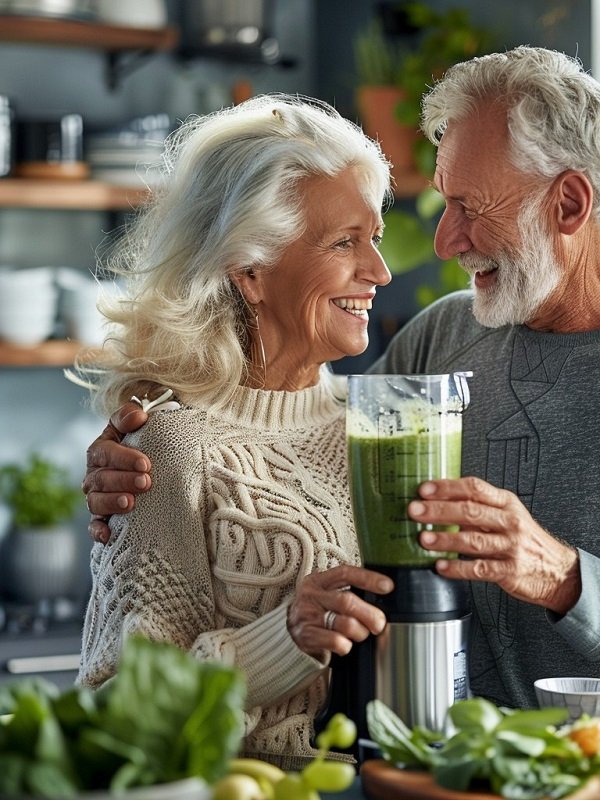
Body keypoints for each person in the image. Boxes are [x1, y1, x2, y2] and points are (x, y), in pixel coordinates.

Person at [83, 48, 600, 718]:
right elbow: (288, 443)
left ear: (570, 205)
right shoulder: (445, 336)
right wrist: (143, 449)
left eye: (470, 207)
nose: (443, 243)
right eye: (443, 202)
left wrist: (564, 577)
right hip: (430, 779)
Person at [72, 93, 397, 769]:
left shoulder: (379, 425)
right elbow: (122, 707)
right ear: (250, 270)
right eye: (346, 242)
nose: (379, 272)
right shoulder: (167, 447)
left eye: (376, 238)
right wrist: (285, 638)